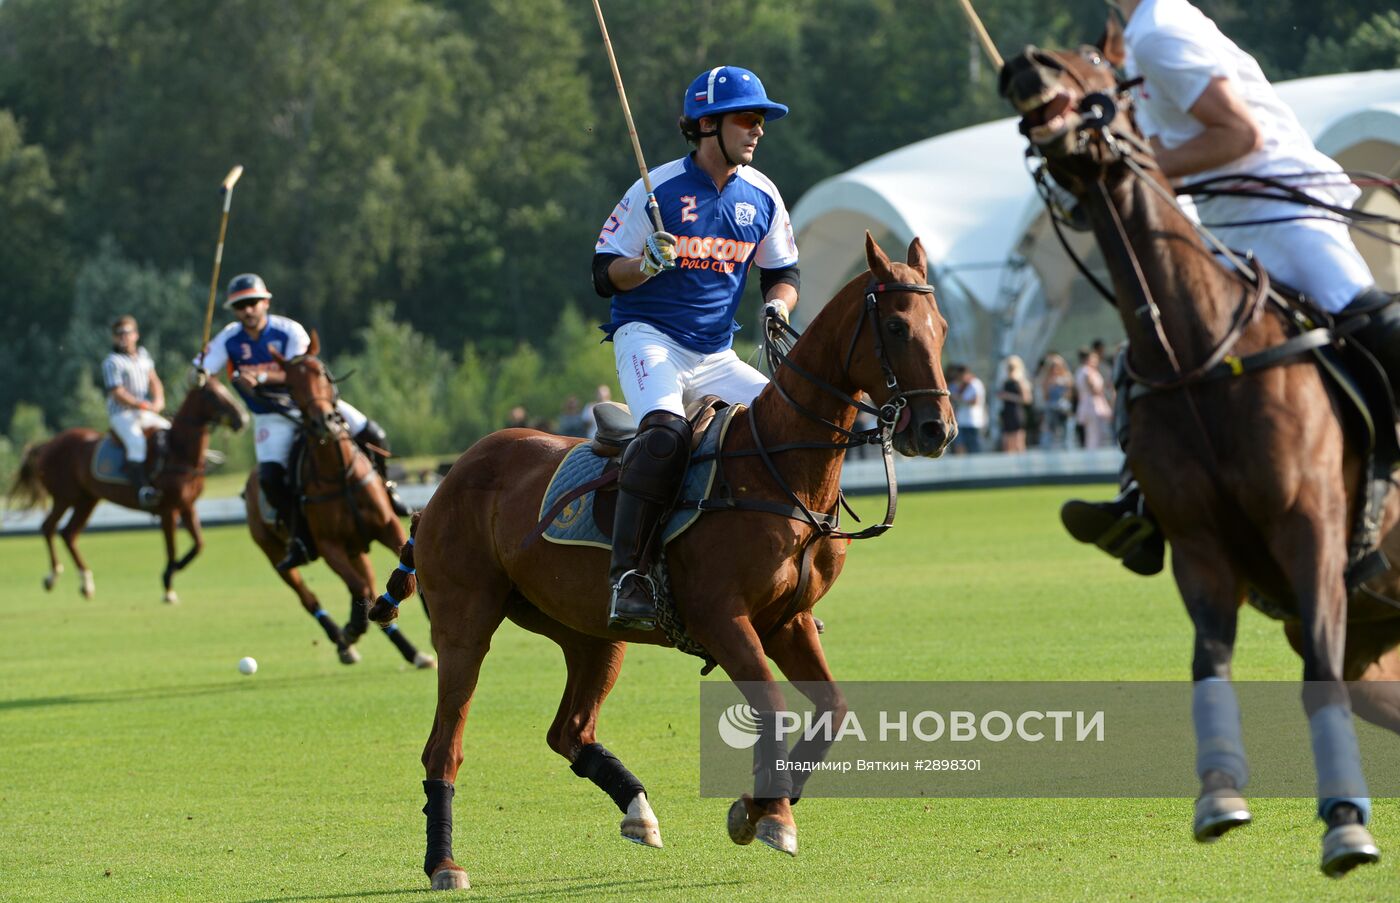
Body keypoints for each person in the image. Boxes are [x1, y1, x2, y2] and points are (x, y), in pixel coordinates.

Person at [1064, 0, 1400, 573]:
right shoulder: (1138, 34)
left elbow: (1238, 134)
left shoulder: (1161, 29)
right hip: (1227, 228)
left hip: (1281, 215)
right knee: (1155, 351)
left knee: (1377, 331)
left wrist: (1136, 167)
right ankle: (1142, 505)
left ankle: (1374, 512)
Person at [592, 65, 800, 630]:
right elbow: (604, 274)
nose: (757, 131)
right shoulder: (655, 189)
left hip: (716, 354)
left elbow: (784, 273)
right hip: (650, 339)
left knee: (793, 427)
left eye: (761, 121)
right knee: (663, 437)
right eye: (747, 119)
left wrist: (777, 307)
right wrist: (645, 265)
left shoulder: (762, 195)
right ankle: (628, 576)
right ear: (708, 125)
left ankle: (779, 571)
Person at [194, 273, 410, 571]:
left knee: (373, 433)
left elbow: (298, 371)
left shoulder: (288, 331)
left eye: (253, 303)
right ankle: (299, 536)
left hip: (312, 404)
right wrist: (203, 373)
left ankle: (387, 490)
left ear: (265, 302)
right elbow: (202, 371)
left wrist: (258, 376)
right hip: (271, 416)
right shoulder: (230, 338)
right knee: (269, 477)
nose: (248, 310)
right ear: (234, 309)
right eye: (240, 305)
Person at [103, 315, 169, 508]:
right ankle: (142, 489)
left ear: (136, 335)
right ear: (114, 338)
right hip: (122, 414)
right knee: (136, 441)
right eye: (119, 334)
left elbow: (154, 380)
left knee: (169, 430)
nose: (123, 337)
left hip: (144, 411)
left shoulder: (143, 355)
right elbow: (117, 392)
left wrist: (159, 400)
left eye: (127, 333)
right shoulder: (112, 361)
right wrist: (140, 404)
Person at [1073, 347, 1112, 450]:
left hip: (1085, 403)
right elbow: (1094, 389)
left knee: (1091, 434)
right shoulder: (1088, 372)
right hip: (1093, 405)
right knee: (1096, 434)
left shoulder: (1079, 371)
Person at [1036, 353, 1074, 449]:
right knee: (1049, 430)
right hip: (1051, 407)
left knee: (1067, 429)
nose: (1055, 369)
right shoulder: (1046, 379)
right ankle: (1047, 448)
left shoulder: (1066, 377)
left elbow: (1069, 394)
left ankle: (1067, 447)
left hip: (1063, 407)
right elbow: (1045, 396)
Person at [996, 355, 1033, 453]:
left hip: (1016, 412)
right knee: (1007, 443)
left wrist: (1009, 396)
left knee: (1018, 442)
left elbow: (1027, 399)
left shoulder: (1020, 382)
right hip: (1007, 412)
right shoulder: (1005, 382)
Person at [949, 365, 987, 454]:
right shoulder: (960, 385)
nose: (960, 378)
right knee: (959, 446)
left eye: (961, 376)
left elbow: (975, 401)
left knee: (974, 449)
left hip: (973, 422)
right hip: (961, 422)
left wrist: (958, 399)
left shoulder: (975, 383)